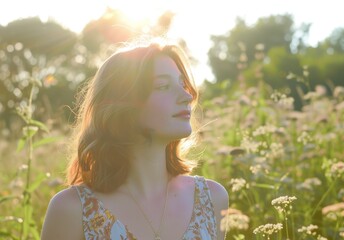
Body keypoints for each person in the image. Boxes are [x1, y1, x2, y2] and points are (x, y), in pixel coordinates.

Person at [41, 38, 228, 240]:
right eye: (163, 86)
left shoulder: (212, 199)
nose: (185, 96)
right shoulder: (72, 210)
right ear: (122, 103)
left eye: (182, 84)